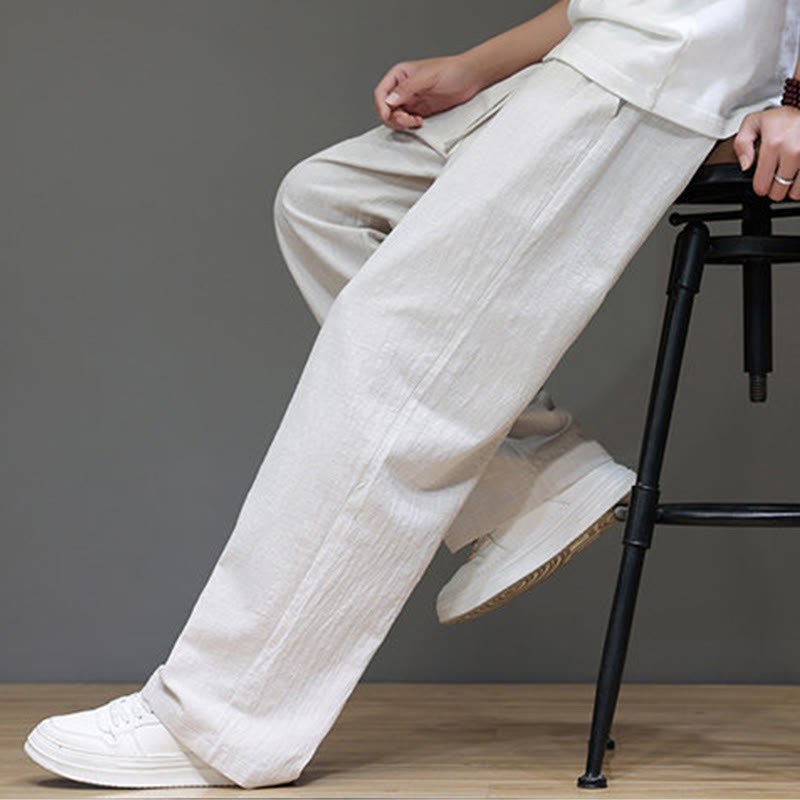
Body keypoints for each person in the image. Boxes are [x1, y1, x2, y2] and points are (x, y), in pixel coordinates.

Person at [22, 0, 800, 790]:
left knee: (396, 338)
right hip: (601, 51)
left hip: (660, 76)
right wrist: (478, 65)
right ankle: (532, 484)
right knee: (326, 201)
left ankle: (222, 720)